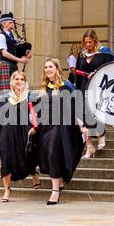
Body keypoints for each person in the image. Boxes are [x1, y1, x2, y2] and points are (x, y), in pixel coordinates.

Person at [37, 58, 86, 205]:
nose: (47, 69)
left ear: (57, 69)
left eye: (50, 66)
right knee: (50, 155)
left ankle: (55, 192)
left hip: (62, 125)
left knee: (53, 153)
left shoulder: (66, 86)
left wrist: (82, 124)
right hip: (46, 126)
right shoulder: (44, 88)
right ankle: (60, 180)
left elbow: (76, 105)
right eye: (46, 67)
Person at [0, 71, 40, 202]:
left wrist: (34, 126)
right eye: (16, 79)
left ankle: (33, 173)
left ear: (25, 81)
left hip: (24, 131)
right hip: (8, 133)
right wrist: (2, 132)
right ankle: (7, 190)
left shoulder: (31, 97)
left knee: (28, 156)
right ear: (12, 81)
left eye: (22, 79)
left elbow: (39, 115)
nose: (19, 81)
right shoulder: (6, 98)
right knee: (6, 158)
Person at [75, 29, 114, 158]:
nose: (88, 45)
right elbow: (77, 72)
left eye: (90, 42)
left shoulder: (104, 53)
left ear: (95, 40)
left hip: (98, 87)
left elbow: (111, 69)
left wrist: (97, 73)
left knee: (97, 111)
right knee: (82, 115)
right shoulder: (81, 54)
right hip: (83, 87)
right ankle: (89, 146)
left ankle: (101, 135)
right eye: (86, 42)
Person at [0, 12, 31, 95]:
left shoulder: (13, 37)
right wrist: (20, 60)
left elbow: (16, 51)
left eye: (12, 22)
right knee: (6, 93)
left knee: (15, 91)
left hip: (13, 66)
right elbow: (4, 53)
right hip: (6, 66)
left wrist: (26, 54)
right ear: (4, 24)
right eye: (10, 22)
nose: (12, 24)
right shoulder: (1, 36)